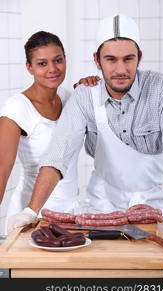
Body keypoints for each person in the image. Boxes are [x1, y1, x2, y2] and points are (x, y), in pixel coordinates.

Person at [9, 15, 163, 231]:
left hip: (154, 204)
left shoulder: (161, 88)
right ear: (96, 59)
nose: (120, 69)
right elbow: (58, 153)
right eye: (111, 59)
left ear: (139, 57)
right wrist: (31, 210)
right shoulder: (85, 96)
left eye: (128, 59)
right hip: (104, 206)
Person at [0, 31, 99, 233]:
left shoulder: (71, 97)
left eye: (58, 60)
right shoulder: (17, 108)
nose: (53, 69)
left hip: (69, 214)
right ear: (29, 67)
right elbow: (2, 166)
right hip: (29, 216)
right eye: (42, 63)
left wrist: (92, 91)